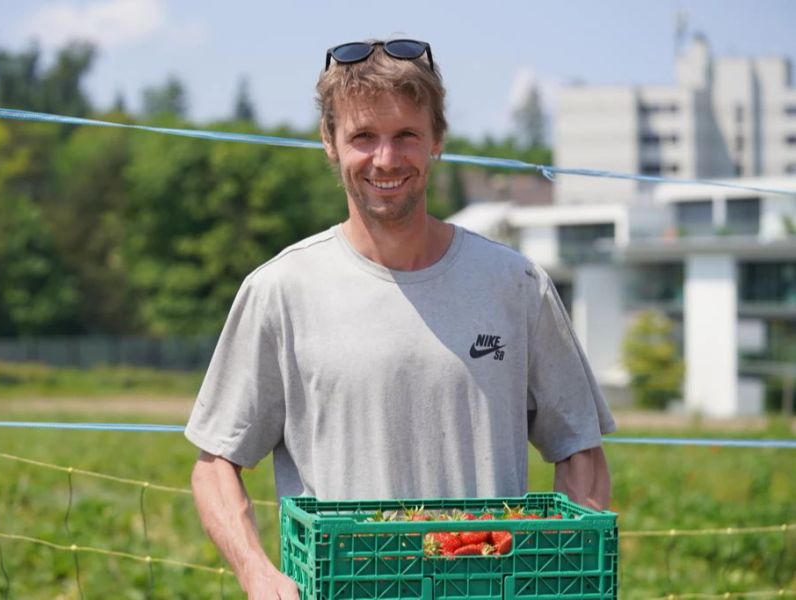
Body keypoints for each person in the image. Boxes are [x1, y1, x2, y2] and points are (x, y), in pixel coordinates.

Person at [186, 38, 616, 599]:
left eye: (406, 136)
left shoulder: (516, 285)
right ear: (329, 143)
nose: (386, 159)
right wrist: (257, 572)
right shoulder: (280, 291)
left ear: (437, 140)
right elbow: (216, 461)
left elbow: (579, 448)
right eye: (363, 137)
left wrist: (562, 570)